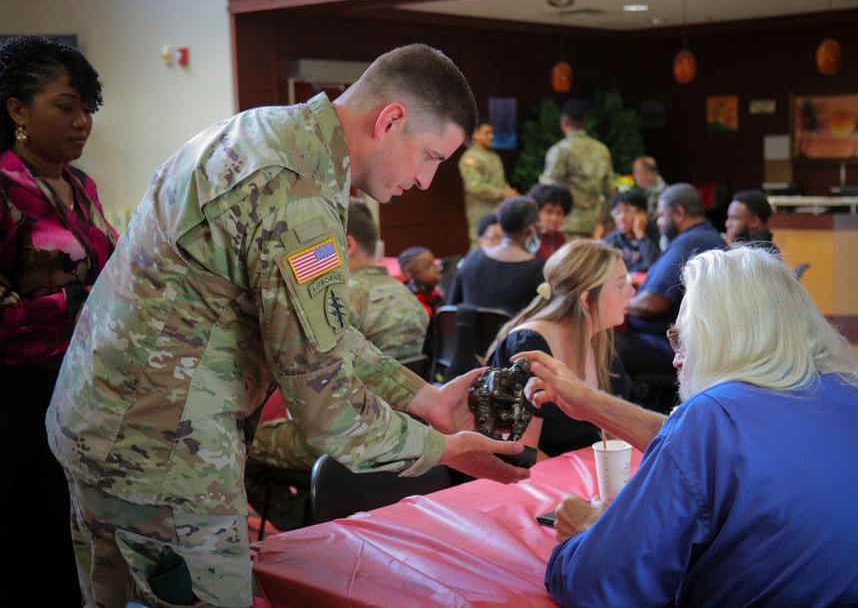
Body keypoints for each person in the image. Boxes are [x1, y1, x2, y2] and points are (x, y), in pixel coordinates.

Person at [45, 44, 527, 608]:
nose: (425, 181)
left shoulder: (267, 132)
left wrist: (424, 398)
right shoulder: (295, 188)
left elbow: (320, 328)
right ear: (390, 120)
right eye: (429, 157)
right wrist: (443, 450)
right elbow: (328, 413)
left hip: (106, 426)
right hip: (161, 459)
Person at [515, 247, 858, 608]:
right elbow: (732, 451)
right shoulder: (851, 395)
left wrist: (586, 534)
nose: (677, 359)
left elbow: (599, 587)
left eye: (682, 339)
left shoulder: (710, 419)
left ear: (721, 338)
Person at [1, 34, 118, 607]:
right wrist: (79, 303)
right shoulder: (3, 189)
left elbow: (114, 265)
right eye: (65, 106)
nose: (81, 122)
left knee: (81, 549)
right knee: (34, 552)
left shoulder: (81, 186)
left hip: (80, 391)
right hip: (18, 400)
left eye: (86, 109)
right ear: (18, 110)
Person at [245, 198, 431, 531]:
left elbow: (316, 382)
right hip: (398, 432)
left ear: (345, 243)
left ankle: (304, 525)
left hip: (346, 432)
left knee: (239, 446)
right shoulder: (407, 296)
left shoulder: (338, 299)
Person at [486, 240, 636, 459]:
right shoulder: (528, 347)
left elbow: (616, 428)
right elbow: (520, 452)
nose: (632, 292)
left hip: (585, 472)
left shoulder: (597, 339)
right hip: (541, 482)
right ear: (587, 299)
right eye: (621, 285)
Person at [615, 183, 726, 377]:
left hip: (676, 347)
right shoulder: (709, 236)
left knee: (607, 346)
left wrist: (616, 303)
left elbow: (651, 304)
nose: (658, 222)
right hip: (702, 345)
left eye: (661, 215)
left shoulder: (689, 243)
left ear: (679, 214)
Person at [448, 195, 546, 316]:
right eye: (540, 227)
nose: (543, 231)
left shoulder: (472, 257)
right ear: (530, 230)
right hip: (512, 335)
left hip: (467, 334)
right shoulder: (539, 269)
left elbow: (450, 309)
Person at [540, 100, 615, 241]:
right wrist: (608, 224)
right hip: (593, 226)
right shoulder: (602, 150)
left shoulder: (560, 150)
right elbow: (610, 191)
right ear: (585, 122)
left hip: (565, 225)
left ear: (564, 122)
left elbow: (547, 190)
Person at [459, 120, 517, 247]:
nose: (491, 136)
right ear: (475, 134)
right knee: (482, 245)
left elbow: (501, 182)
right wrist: (502, 194)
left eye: (492, 133)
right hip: (481, 212)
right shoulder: (470, 158)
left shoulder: (493, 156)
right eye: (486, 133)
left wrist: (510, 194)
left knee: (502, 244)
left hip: (499, 210)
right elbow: (474, 187)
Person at [602, 189, 661, 273]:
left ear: (642, 212)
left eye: (627, 211)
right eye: (617, 212)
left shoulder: (658, 235)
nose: (622, 217)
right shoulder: (611, 241)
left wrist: (640, 234)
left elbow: (657, 268)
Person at [528, 182, 573, 260]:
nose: (554, 218)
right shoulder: (528, 237)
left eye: (559, 213)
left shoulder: (559, 237)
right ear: (536, 211)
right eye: (549, 212)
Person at [631, 155, 666, 225]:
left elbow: (651, 220)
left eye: (636, 172)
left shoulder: (661, 192)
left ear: (645, 172)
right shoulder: (646, 191)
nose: (634, 176)